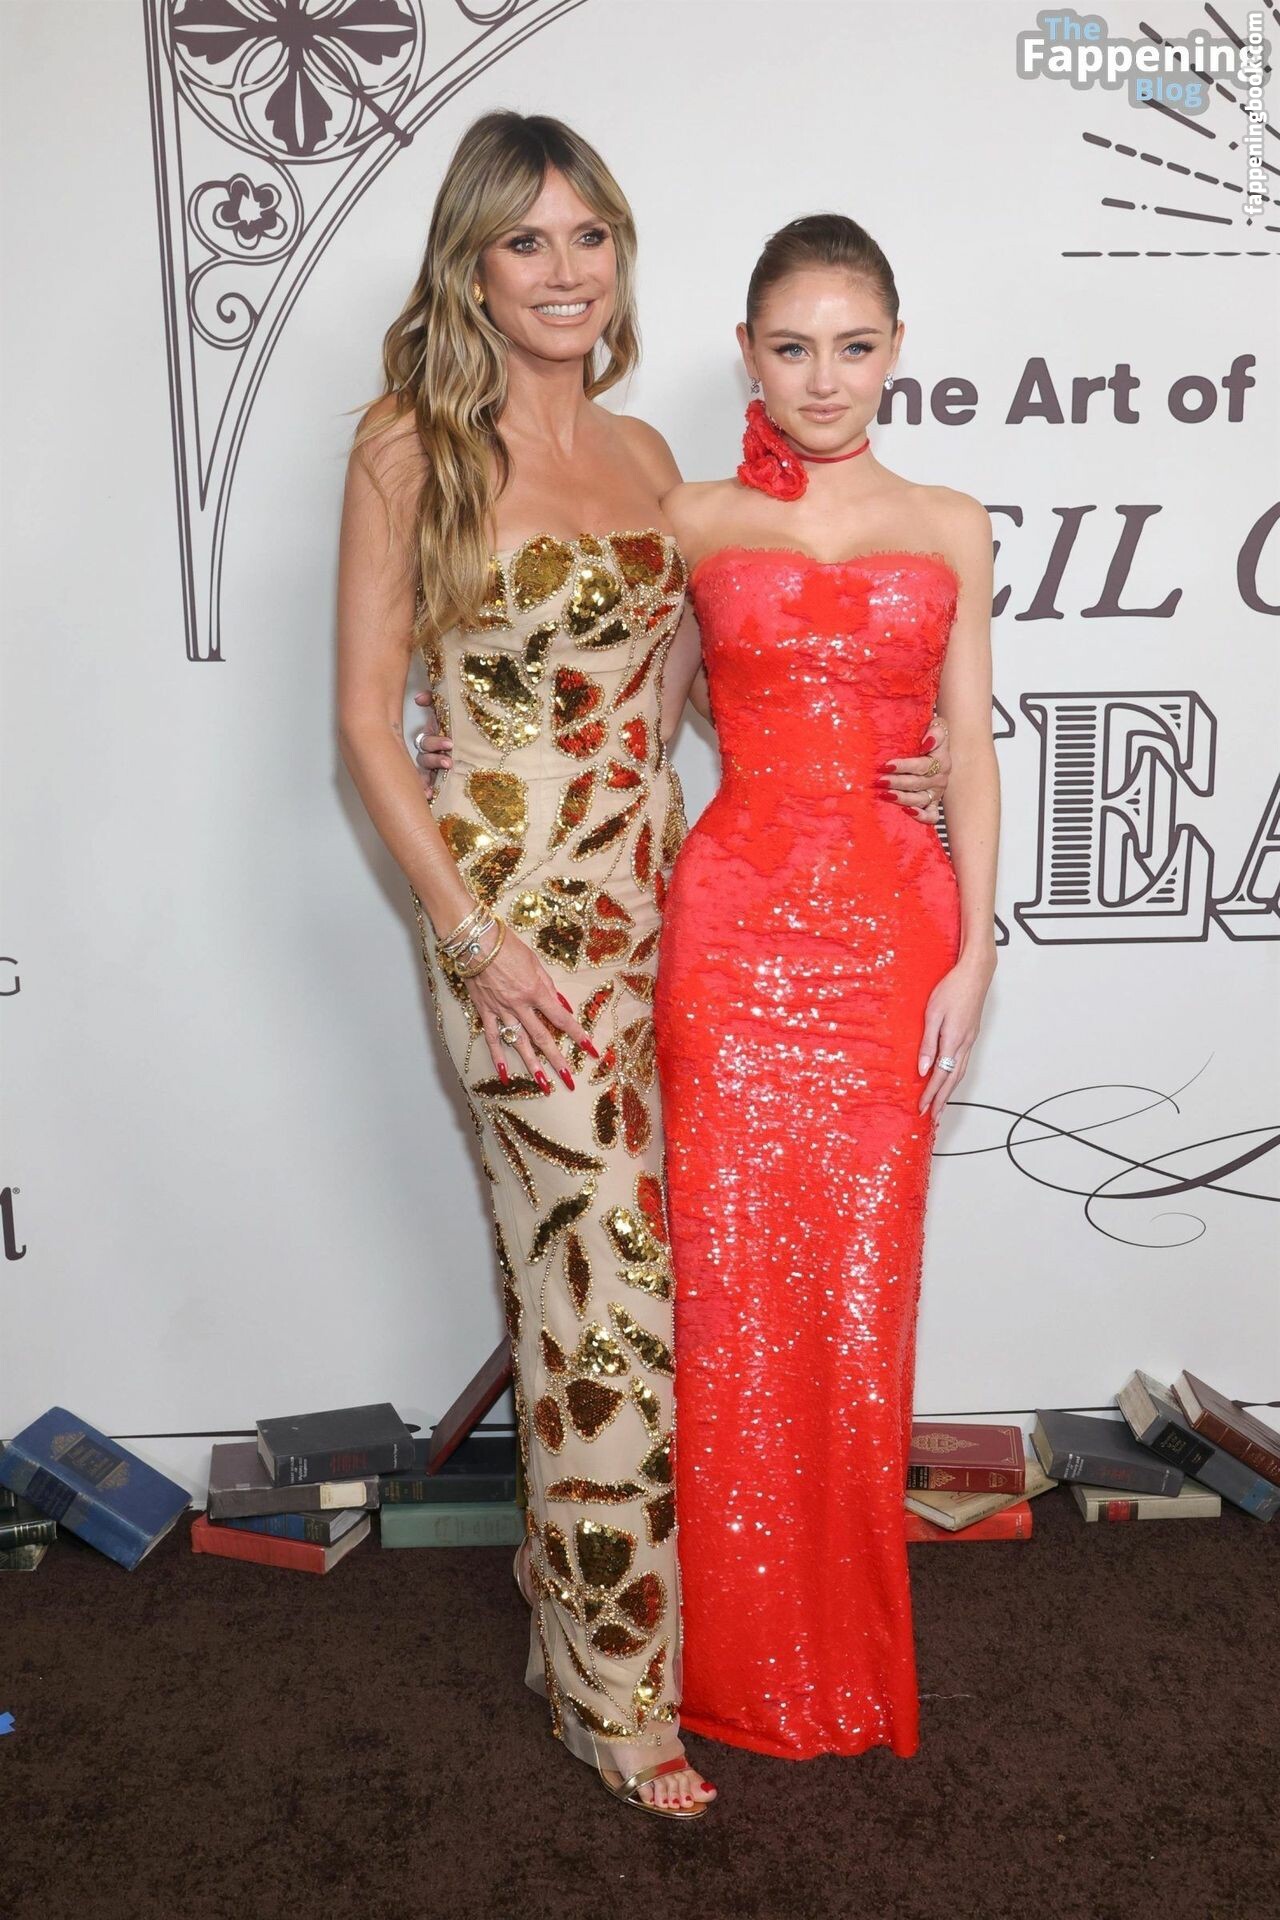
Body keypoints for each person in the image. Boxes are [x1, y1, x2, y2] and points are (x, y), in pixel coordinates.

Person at [651, 214, 1000, 1762]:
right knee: (727, 1294)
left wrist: (977, 946)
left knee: (861, 1302)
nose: (823, 377)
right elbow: (631, 720)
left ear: (896, 350)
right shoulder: (691, 515)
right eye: (791, 347)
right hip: (729, 937)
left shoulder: (950, 522)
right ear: (747, 352)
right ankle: (724, 1660)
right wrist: (482, 749)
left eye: (853, 346)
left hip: (889, 940)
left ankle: (844, 1664)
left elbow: (970, 746)